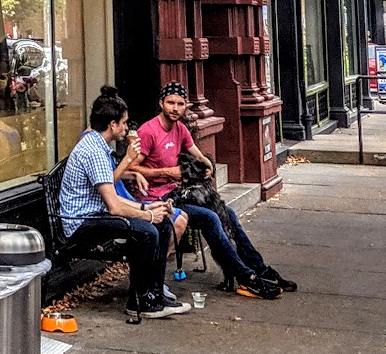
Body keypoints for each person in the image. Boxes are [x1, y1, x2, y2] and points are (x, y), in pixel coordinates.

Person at [131, 81, 294, 297]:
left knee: (230, 214)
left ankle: (260, 270)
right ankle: (246, 278)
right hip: (158, 198)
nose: (175, 108)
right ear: (161, 103)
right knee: (210, 218)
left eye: (180, 104)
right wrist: (167, 172)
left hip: (177, 194)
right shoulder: (149, 131)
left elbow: (196, 152)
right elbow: (133, 167)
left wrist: (208, 166)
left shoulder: (179, 128)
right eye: (171, 103)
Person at [58, 93, 189, 321]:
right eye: (125, 122)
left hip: (94, 212)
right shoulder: (94, 152)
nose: (127, 127)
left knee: (163, 224)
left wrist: (147, 205)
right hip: (82, 223)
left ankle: (154, 294)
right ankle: (139, 300)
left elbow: (111, 195)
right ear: (113, 124)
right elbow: (113, 207)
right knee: (147, 231)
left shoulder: (98, 146)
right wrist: (147, 214)